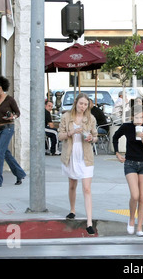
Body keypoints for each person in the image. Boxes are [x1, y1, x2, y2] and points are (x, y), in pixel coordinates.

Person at [58, 93, 98, 235]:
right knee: (72, 185)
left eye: (85, 104)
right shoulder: (66, 117)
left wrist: (91, 138)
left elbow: (95, 137)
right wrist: (73, 131)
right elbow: (60, 136)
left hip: (85, 156)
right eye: (81, 103)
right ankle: (72, 210)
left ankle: (89, 222)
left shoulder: (90, 118)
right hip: (71, 155)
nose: (83, 107)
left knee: (87, 189)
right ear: (76, 103)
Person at [112, 104, 143, 237]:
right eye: (136, 117)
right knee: (135, 195)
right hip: (130, 163)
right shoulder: (127, 126)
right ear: (132, 117)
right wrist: (117, 153)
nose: (139, 120)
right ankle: (131, 219)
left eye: (141, 117)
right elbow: (115, 136)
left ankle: (139, 227)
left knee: (142, 197)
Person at [0, 76, 26, 187]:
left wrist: (12, 117)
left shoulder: (9, 99)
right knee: (5, 153)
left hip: (8, 128)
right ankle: (20, 174)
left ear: (0, 88)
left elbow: (18, 113)